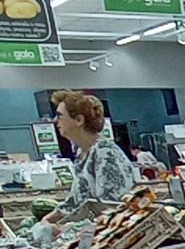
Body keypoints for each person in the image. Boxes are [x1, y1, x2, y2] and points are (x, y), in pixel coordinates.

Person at [40, 90, 136, 226]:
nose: (55, 120)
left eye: (60, 115)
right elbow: (74, 202)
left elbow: (113, 208)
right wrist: (48, 220)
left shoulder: (105, 153)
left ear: (79, 120)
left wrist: (72, 228)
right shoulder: (82, 154)